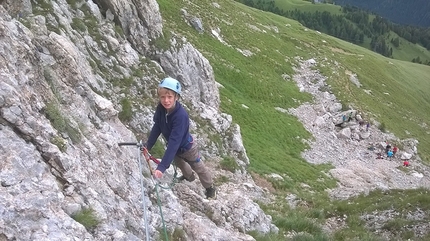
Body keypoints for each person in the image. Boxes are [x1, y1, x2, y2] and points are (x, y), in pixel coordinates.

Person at [145, 77, 217, 199]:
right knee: (181, 165)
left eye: (169, 97)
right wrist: (148, 146)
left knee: (198, 167)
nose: (166, 100)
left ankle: (210, 188)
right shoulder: (161, 109)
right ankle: (189, 177)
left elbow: (174, 142)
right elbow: (157, 126)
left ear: (176, 97)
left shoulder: (180, 116)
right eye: (162, 97)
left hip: (187, 147)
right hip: (176, 148)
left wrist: (162, 167)